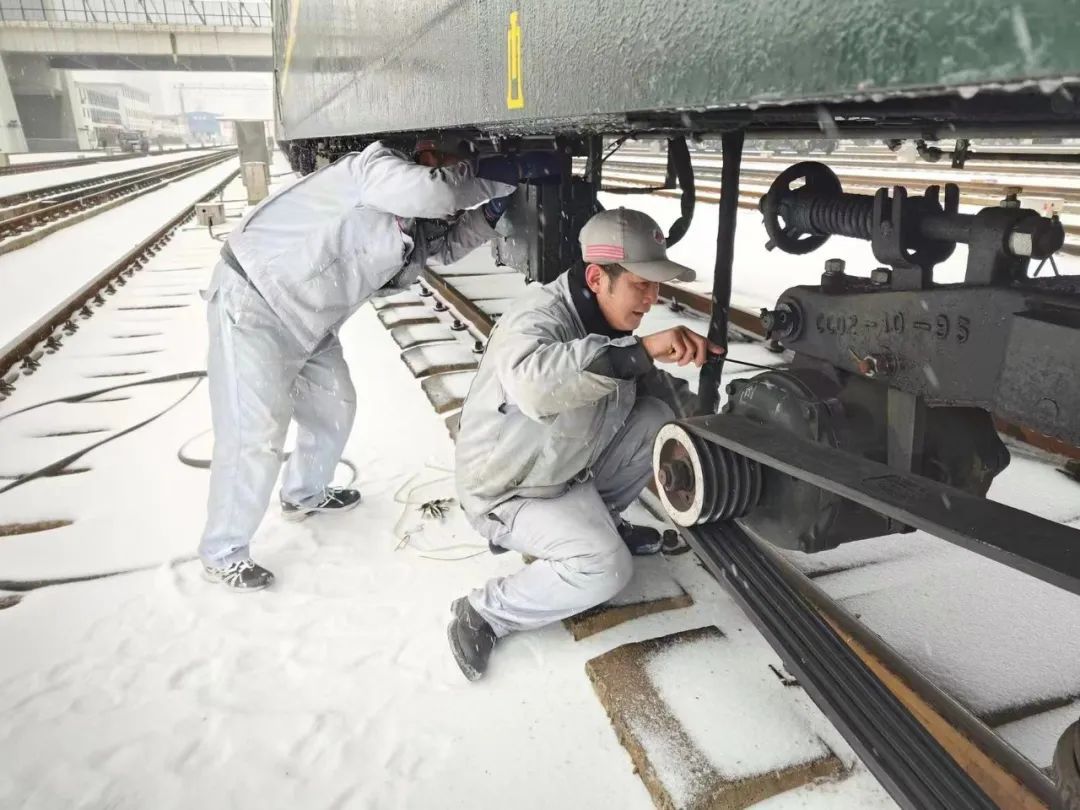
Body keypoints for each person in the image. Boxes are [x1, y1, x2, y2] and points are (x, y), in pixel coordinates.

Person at [198, 138, 524, 590]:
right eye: (457, 162)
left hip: (309, 319)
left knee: (335, 405)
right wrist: (507, 172)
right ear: (428, 152)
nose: (461, 172)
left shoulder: (416, 215)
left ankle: (305, 494)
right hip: (253, 301)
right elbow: (440, 192)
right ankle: (223, 551)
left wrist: (489, 216)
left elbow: (441, 249)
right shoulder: (374, 169)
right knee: (254, 433)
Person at [448, 207, 722, 679]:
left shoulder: (607, 317)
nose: (652, 299)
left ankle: (602, 524)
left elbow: (653, 396)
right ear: (597, 278)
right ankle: (486, 611)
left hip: (563, 468)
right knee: (607, 570)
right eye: (642, 285)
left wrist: (719, 418)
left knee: (658, 420)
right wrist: (643, 351)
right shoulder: (538, 318)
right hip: (511, 491)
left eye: (656, 286)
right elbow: (536, 386)